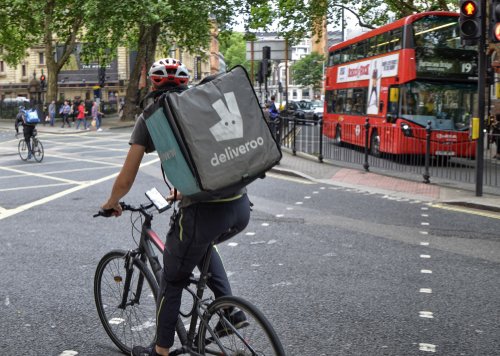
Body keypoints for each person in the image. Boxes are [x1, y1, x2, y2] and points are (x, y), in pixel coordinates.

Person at [100, 58, 251, 356]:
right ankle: (230, 311)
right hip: (240, 205)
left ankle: (160, 351)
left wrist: (111, 202)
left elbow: (127, 175)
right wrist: (182, 188)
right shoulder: (200, 105)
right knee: (202, 245)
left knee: (172, 278)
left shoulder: (151, 116)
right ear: (185, 82)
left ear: (152, 84)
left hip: (203, 212)